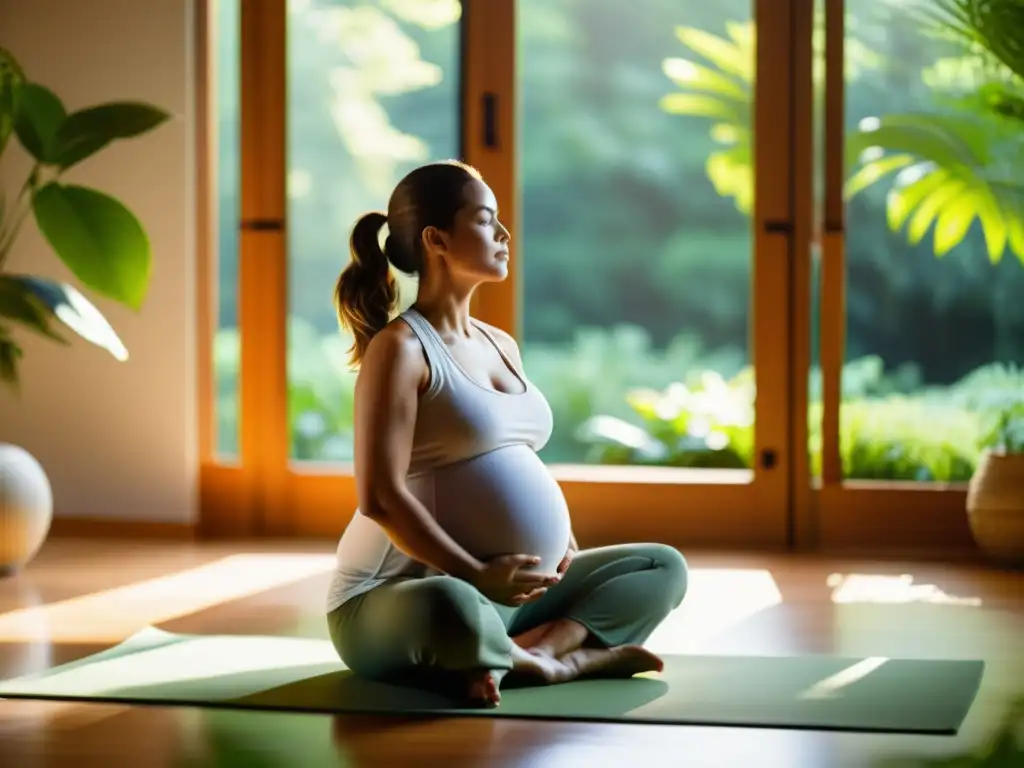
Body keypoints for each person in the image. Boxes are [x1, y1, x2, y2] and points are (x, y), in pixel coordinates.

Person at [325, 159, 689, 708]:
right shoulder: (399, 350)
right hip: (392, 598)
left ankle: (527, 655)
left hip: (511, 594)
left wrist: (558, 544)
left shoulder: (500, 344)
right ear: (436, 239)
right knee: (450, 606)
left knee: (661, 566)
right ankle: (546, 662)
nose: (504, 234)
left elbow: (511, 457)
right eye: (484, 220)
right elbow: (379, 498)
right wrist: (475, 573)